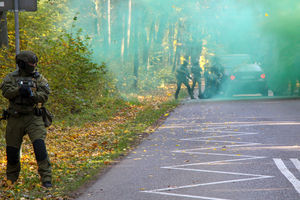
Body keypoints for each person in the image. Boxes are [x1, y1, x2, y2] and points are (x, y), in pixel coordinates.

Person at [0, 51, 52, 188]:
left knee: (39, 146)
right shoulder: (11, 77)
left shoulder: (39, 78)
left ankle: (46, 178)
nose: (33, 66)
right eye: (31, 64)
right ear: (21, 64)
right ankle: (11, 179)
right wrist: (19, 90)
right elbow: (6, 92)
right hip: (15, 117)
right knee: (12, 150)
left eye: (35, 64)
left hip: (33, 117)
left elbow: (45, 95)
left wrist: (32, 94)